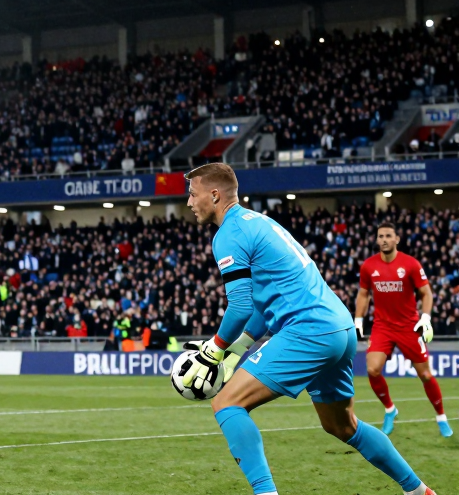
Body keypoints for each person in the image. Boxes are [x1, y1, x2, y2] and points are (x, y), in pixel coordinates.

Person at [181, 163, 436, 495]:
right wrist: (234, 353)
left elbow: (241, 306)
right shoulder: (260, 223)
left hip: (307, 330)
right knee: (343, 426)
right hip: (338, 328)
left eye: (192, 194)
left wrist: (213, 350)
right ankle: (418, 491)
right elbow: (259, 305)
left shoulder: (228, 234)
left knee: (226, 403)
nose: (189, 202)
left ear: (214, 195)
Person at [355, 221, 451, 437]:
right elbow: (363, 293)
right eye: (380, 236)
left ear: (397, 239)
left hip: (409, 326)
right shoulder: (369, 266)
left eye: (388, 236)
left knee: (425, 374)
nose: (384, 240)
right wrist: (358, 320)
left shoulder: (410, 264)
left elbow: (426, 293)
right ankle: (390, 410)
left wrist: (425, 318)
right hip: (382, 326)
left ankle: (441, 416)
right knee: (372, 369)